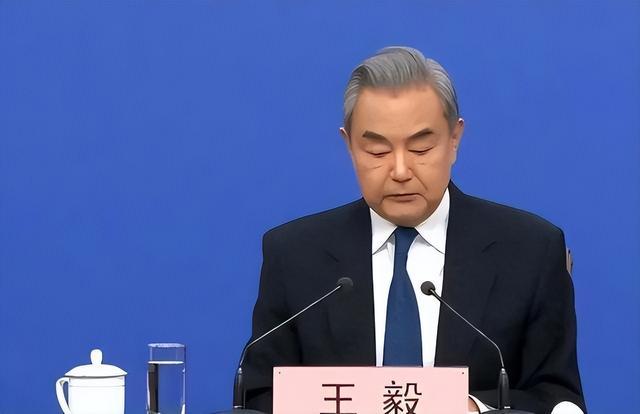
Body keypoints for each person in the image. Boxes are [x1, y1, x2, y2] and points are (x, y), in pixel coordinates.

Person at [242, 47, 586, 414]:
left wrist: (472, 409)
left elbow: (558, 398)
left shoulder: (531, 250)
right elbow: (259, 396)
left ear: (455, 139)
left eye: (421, 148)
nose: (401, 171)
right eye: (377, 151)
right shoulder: (294, 255)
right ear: (349, 146)